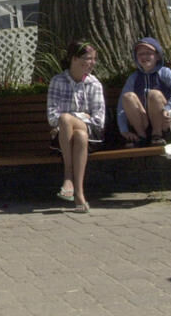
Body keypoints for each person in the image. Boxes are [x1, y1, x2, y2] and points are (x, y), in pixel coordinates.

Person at [46, 39, 104, 214]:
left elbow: (98, 121)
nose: (91, 63)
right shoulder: (57, 81)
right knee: (78, 135)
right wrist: (79, 117)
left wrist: (71, 118)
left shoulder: (94, 84)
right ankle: (79, 195)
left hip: (92, 134)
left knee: (65, 118)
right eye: (87, 58)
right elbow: (51, 116)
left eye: (94, 59)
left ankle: (68, 176)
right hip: (65, 137)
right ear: (73, 59)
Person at [117, 37, 171, 147]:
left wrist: (168, 107)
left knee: (154, 94)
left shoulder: (164, 72)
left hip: (163, 120)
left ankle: (157, 135)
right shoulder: (134, 77)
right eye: (140, 54)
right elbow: (122, 104)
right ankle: (141, 136)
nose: (144, 57)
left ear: (157, 56)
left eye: (149, 53)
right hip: (142, 121)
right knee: (127, 96)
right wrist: (123, 129)